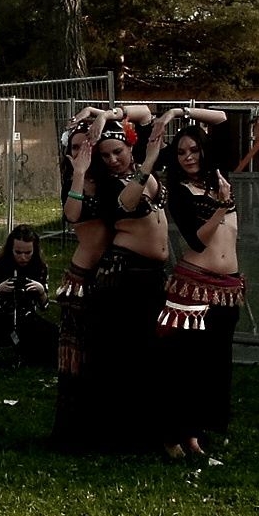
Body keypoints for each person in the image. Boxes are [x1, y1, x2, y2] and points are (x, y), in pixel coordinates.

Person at [51, 105, 152, 450]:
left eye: (88, 145)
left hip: (109, 275)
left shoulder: (112, 178)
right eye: (76, 147)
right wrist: (79, 172)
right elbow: (71, 215)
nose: (84, 151)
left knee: (105, 351)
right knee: (78, 354)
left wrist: (103, 113)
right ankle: (76, 432)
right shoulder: (75, 182)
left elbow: (145, 115)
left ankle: (112, 425)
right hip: (81, 277)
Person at [150, 107, 246, 459]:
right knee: (185, 365)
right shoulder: (179, 191)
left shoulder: (218, 178)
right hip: (194, 288)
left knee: (213, 367)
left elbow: (222, 119)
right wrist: (221, 207)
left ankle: (194, 435)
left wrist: (179, 111)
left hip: (227, 289)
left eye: (194, 149)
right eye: (181, 152)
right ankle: (172, 436)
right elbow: (197, 240)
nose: (188, 157)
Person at [86, 106, 169, 452]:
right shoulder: (107, 186)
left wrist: (106, 115)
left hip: (153, 274)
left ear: (129, 146)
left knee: (154, 352)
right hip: (126, 274)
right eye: (105, 155)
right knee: (131, 352)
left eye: (117, 152)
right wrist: (147, 163)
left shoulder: (142, 169)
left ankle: (150, 429)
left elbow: (147, 113)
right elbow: (126, 204)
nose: (112, 160)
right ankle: (125, 433)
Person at [0, 224, 58, 371]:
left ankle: (26, 352)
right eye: (18, 252)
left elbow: (45, 306)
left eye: (28, 253)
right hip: (0, 316)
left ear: (34, 250)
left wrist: (41, 291)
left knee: (54, 339)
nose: (23, 257)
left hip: (26, 317)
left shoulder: (40, 267)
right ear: (10, 249)